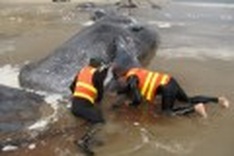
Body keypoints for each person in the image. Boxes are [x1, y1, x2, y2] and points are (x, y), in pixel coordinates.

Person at [111, 67, 229, 118]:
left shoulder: (130, 78)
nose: (120, 83)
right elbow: (137, 84)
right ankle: (218, 99)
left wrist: (129, 105)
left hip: (166, 87)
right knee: (187, 99)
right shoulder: (134, 70)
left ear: (120, 76)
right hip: (170, 80)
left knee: (166, 113)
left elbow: (137, 100)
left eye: (118, 80)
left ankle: (195, 109)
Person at [70, 57, 109, 156]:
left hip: (75, 105)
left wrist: (79, 94)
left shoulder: (82, 71)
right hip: (83, 107)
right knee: (100, 121)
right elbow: (100, 92)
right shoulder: (97, 74)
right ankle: (83, 141)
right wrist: (98, 101)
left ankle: (92, 139)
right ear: (98, 66)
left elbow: (71, 87)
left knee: (95, 116)